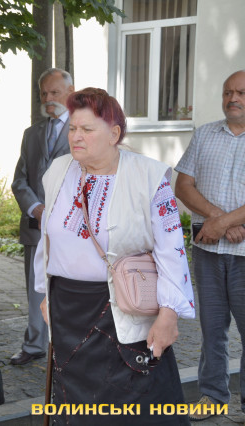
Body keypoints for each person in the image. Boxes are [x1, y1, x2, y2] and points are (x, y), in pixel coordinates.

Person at [34, 88, 195, 425]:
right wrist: (45, 292)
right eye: (72, 128)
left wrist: (169, 314)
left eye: (87, 129)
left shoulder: (148, 176)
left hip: (124, 307)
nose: (76, 136)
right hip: (68, 310)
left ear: (114, 133)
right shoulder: (58, 170)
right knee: (77, 408)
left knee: (136, 406)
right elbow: (47, 238)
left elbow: (171, 249)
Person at [175, 69, 245, 421]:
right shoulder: (204, 134)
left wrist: (223, 223)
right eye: (228, 92)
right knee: (212, 330)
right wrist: (220, 220)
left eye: (241, 92)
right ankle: (213, 397)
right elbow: (183, 186)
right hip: (208, 250)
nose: (233, 98)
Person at [10, 68, 73, 365]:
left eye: (54, 92)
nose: (48, 98)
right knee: (36, 290)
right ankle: (34, 345)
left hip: (72, 228)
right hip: (36, 225)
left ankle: (68, 347)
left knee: (70, 289)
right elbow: (20, 180)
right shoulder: (31, 134)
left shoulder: (83, 129)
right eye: (44, 93)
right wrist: (35, 207)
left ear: (71, 93)